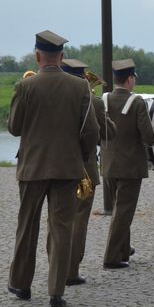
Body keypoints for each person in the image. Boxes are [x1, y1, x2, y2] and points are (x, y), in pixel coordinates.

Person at [7, 30, 99, 307]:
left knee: (27, 227)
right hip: (67, 168)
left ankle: (21, 285)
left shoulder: (25, 87)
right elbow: (91, 130)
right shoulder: (80, 87)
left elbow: (14, 128)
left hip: (32, 168)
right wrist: (81, 158)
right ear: (61, 57)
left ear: (37, 56)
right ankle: (56, 291)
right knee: (61, 229)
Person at [101, 59, 154, 269]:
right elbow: (147, 135)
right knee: (124, 212)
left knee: (119, 209)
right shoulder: (136, 102)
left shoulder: (103, 99)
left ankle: (123, 249)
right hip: (130, 167)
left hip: (109, 164)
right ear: (130, 79)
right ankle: (111, 257)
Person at [58, 59, 116, 284]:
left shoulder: (52, 98)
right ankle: (70, 272)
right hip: (84, 171)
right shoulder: (94, 101)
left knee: (58, 220)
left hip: (57, 167)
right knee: (78, 222)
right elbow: (108, 134)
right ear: (83, 78)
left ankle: (56, 268)